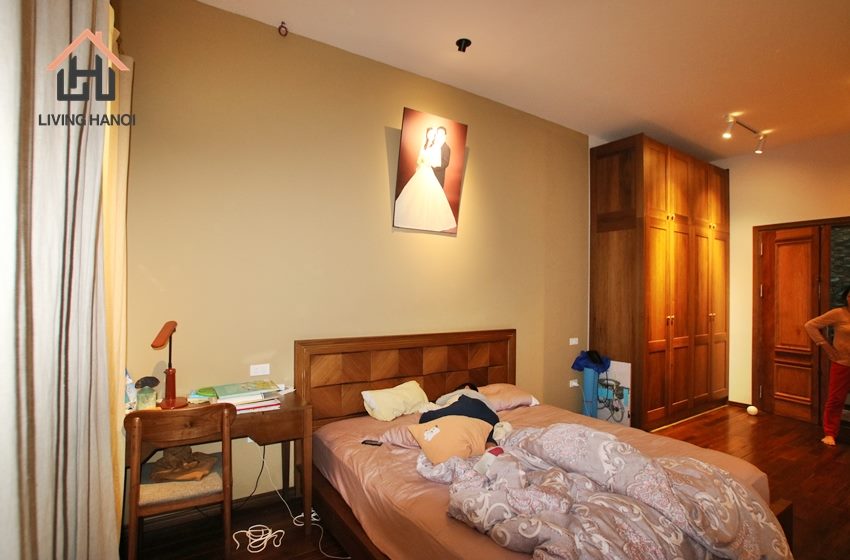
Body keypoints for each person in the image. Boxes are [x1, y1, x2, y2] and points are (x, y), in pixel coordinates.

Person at [804, 285, 850, 446]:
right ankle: (830, 433)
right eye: (849, 296)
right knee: (836, 399)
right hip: (842, 363)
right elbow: (810, 325)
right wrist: (825, 346)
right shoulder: (839, 313)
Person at [393, 127, 457, 232]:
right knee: (416, 194)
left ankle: (431, 218)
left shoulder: (436, 146)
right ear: (427, 135)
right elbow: (419, 160)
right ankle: (416, 215)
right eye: (429, 134)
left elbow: (439, 162)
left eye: (433, 134)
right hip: (422, 171)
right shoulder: (424, 145)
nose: (431, 136)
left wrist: (429, 163)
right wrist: (422, 162)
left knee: (430, 196)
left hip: (430, 172)